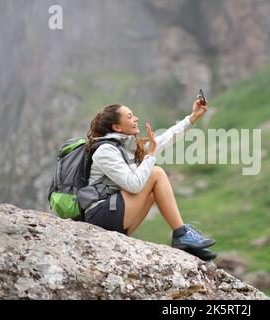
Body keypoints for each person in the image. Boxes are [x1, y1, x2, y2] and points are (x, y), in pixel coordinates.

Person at [83, 98, 216, 260]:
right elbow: (133, 185)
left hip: (114, 218)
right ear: (117, 127)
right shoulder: (105, 151)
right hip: (100, 217)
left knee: (154, 192)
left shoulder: (127, 148)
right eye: (130, 116)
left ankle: (185, 242)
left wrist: (193, 117)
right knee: (156, 173)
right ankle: (181, 234)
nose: (136, 119)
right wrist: (150, 155)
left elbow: (167, 137)